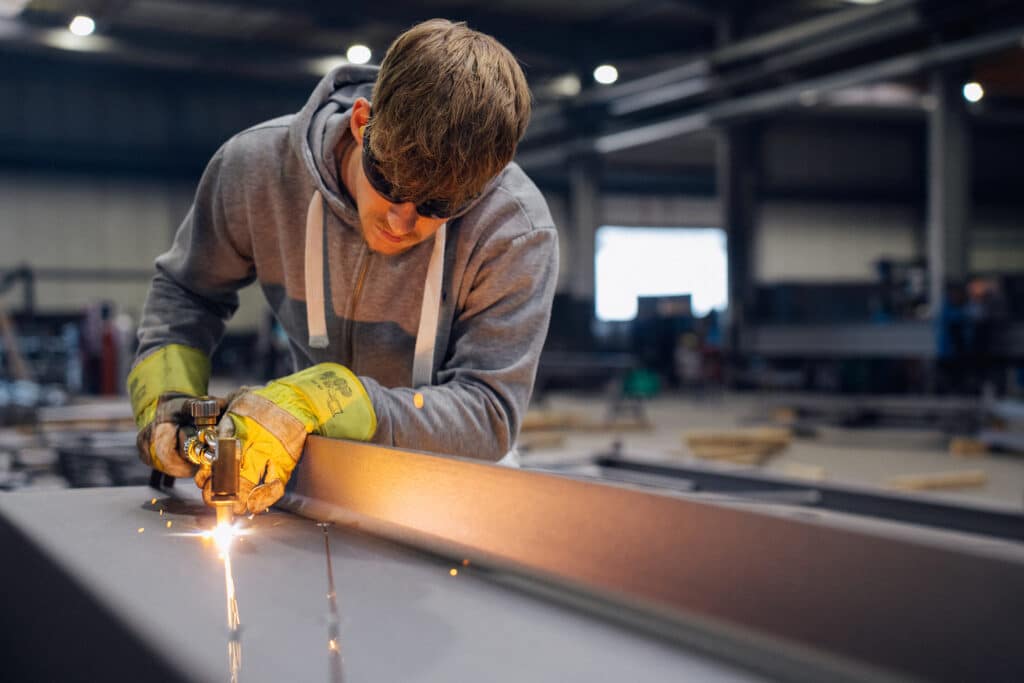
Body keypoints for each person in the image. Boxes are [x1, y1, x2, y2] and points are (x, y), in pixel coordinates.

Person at [127, 19, 559, 515]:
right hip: (317, 472)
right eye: (389, 183)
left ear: (482, 185)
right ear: (362, 122)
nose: (400, 222)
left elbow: (489, 413)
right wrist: (167, 397)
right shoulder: (256, 170)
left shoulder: (515, 230)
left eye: (437, 206)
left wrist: (334, 399)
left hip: (454, 484)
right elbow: (189, 291)